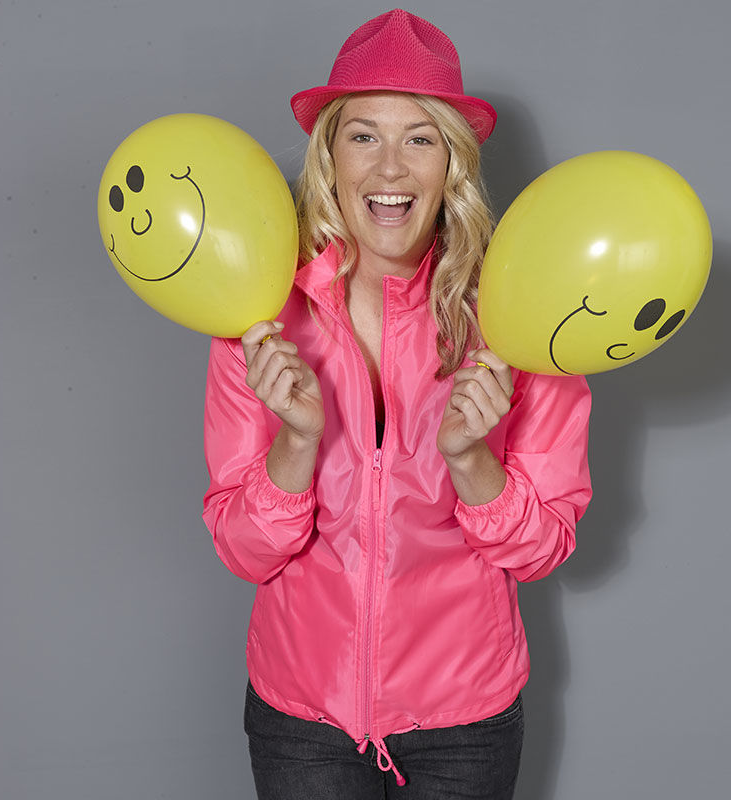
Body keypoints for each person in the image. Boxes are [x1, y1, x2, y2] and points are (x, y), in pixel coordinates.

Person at [202, 9, 592, 799]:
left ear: (452, 163)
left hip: (465, 720)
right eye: (363, 135)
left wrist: (472, 463)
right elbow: (244, 553)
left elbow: (542, 548)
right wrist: (294, 447)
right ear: (329, 157)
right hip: (302, 717)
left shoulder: (521, 318)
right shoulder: (260, 314)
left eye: (419, 138)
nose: (390, 166)